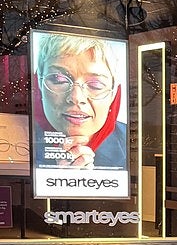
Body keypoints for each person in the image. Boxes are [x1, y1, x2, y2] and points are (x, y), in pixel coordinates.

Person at [33, 33, 127, 172]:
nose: (76, 97)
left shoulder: (133, 145)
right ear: (39, 85)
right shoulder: (17, 144)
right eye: (59, 80)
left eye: (95, 85)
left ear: (113, 94)